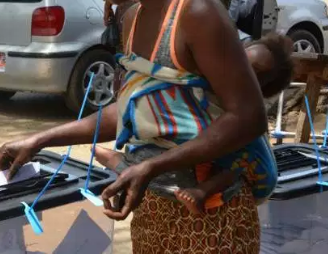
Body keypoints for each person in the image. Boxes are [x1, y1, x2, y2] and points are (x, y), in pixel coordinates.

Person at [0, 0, 271, 253]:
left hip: (212, 218)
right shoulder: (134, 19)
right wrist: (41, 140)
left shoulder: (199, 14)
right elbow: (127, 111)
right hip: (154, 210)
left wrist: (152, 167)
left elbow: (248, 117)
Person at [94, 33, 293, 215]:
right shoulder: (205, 84)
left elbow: (236, 161)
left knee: (231, 164)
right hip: (178, 187)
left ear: (261, 87)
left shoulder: (246, 112)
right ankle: (123, 164)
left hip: (250, 182)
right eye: (241, 59)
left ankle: (199, 191)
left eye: (254, 71)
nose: (240, 69)